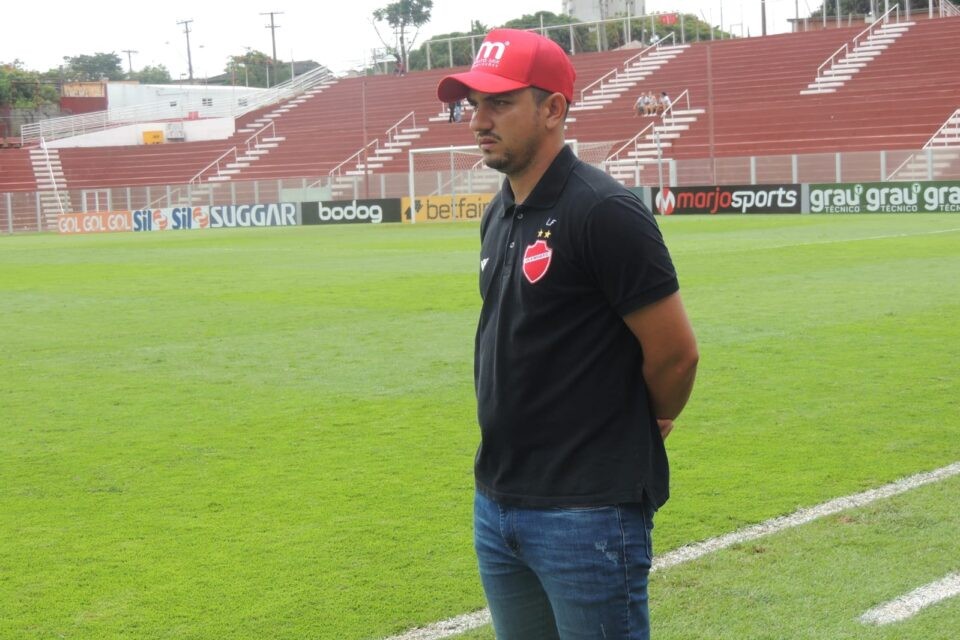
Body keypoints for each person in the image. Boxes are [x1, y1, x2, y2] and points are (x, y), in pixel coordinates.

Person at [436, 28, 699, 640]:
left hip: (588, 513)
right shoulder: (500, 210)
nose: (479, 120)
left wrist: (652, 416)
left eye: (499, 103)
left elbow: (676, 355)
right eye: (474, 104)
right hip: (498, 502)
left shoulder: (603, 211)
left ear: (553, 109)